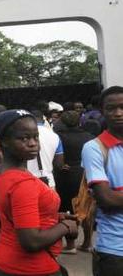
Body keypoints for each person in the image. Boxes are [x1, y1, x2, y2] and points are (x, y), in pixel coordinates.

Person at [0, 110, 77, 276]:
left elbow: (1, 219)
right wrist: (65, 227)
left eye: (35, 137)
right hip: (30, 268)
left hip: (1, 261)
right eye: (24, 138)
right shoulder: (23, 184)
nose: (33, 143)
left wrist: (53, 218)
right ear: (4, 141)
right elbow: (31, 241)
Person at [82, 86, 123, 275]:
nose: (118, 113)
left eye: (122, 107)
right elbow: (106, 198)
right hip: (114, 249)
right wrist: (111, 197)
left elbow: (114, 198)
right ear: (102, 111)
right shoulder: (94, 148)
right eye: (111, 108)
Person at [54, 110, 94, 253]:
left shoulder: (58, 137)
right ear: (80, 121)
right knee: (86, 209)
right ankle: (87, 243)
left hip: (65, 175)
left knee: (67, 209)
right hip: (85, 175)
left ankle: (70, 245)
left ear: (62, 122)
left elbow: (57, 159)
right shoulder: (89, 136)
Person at [26, 103, 65, 189]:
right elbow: (59, 164)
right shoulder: (54, 136)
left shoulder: (22, 137)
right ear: (44, 120)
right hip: (49, 182)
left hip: (27, 182)